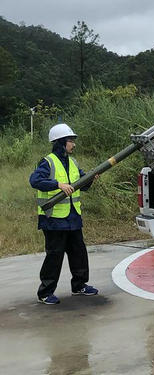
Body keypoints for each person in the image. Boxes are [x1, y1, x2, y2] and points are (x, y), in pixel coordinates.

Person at [30, 123, 99, 305]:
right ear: (60, 142)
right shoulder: (48, 162)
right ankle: (45, 292)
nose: (73, 144)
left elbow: (82, 184)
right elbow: (35, 180)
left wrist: (91, 178)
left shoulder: (73, 162)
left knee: (79, 252)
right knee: (55, 255)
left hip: (73, 216)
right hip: (53, 219)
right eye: (70, 141)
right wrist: (57, 184)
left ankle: (79, 285)